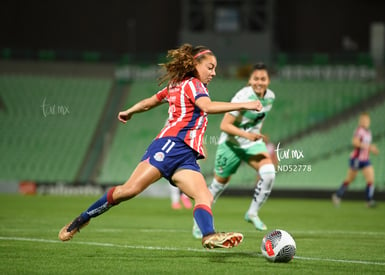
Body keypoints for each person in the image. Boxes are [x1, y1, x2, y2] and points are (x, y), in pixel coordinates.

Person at [58, 44, 263, 249]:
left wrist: (130, 111)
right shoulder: (193, 85)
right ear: (194, 64)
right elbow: (207, 107)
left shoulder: (177, 85)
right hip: (170, 146)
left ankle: (208, 235)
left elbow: (150, 102)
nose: (214, 73)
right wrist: (244, 105)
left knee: (204, 196)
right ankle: (82, 219)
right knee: (128, 190)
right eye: (210, 67)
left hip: (185, 155)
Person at [192, 63, 276, 239]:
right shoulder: (242, 97)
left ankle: (252, 213)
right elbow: (224, 125)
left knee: (269, 173)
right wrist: (247, 134)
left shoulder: (270, 98)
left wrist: (256, 134)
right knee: (218, 185)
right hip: (231, 145)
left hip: (252, 144)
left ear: (268, 80)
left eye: (263, 79)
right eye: (256, 78)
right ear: (250, 80)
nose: (259, 82)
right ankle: (199, 223)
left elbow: (257, 119)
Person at [332, 112, 379, 208]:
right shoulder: (359, 131)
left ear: (369, 121)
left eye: (366, 120)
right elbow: (355, 143)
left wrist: (371, 149)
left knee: (370, 179)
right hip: (356, 159)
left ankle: (369, 201)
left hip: (365, 159)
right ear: (360, 121)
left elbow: (365, 146)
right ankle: (337, 195)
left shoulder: (368, 132)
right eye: (363, 120)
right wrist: (370, 147)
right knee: (350, 179)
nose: (365, 122)